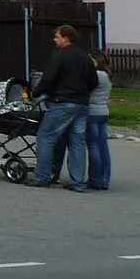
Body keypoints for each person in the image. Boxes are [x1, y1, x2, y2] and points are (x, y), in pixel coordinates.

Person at [30, 25, 97, 191]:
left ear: (66, 38)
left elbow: (48, 78)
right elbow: (93, 82)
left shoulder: (59, 56)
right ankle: (78, 182)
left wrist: (36, 92)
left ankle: (42, 177)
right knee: (77, 142)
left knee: (45, 137)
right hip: (82, 103)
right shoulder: (85, 57)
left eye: (57, 37)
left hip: (63, 102)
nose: (55, 39)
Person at [87, 51, 113, 191]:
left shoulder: (96, 75)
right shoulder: (108, 75)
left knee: (93, 146)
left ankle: (95, 179)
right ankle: (104, 179)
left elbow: (87, 89)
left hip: (92, 112)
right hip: (104, 111)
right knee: (103, 147)